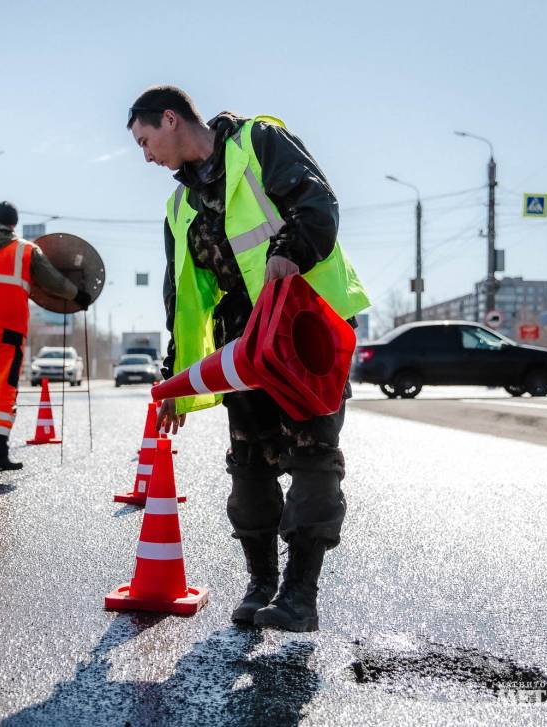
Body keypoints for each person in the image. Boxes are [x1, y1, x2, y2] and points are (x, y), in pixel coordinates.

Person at [127, 86, 369, 632]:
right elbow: (184, 303)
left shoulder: (259, 142)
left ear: (170, 119)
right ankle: (261, 583)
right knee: (251, 464)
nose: (147, 156)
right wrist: (176, 381)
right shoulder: (179, 206)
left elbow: (317, 205)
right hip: (248, 344)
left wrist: (288, 251)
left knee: (312, 456)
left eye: (146, 141)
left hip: (308, 326)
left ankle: (299, 595)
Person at [0, 201, 91, 477]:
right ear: (14, 224)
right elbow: (54, 282)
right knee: (3, 386)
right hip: (8, 327)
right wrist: (78, 295)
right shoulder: (26, 250)